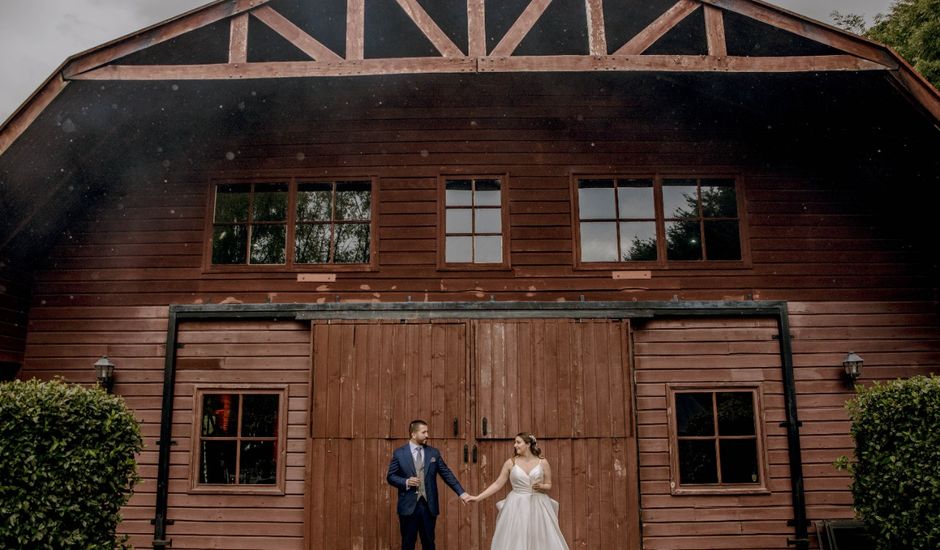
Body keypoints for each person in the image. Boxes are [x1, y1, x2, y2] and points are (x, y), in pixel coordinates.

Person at [467, 432, 570, 550]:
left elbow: (549, 485)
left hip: (538, 505)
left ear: (528, 444)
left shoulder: (543, 462)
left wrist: (541, 486)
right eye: (515, 442)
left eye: (518, 442)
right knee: (516, 539)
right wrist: (477, 498)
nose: (515, 445)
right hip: (516, 506)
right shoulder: (511, 463)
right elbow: (497, 484)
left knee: (539, 538)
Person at [387, 419, 471, 550]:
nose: (427, 435)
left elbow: (447, 474)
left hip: (428, 507)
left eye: (427, 431)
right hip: (408, 507)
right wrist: (406, 481)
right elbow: (390, 477)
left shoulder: (433, 453)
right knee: (407, 544)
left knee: (429, 544)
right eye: (424, 432)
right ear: (413, 434)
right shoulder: (399, 454)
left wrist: (461, 492)